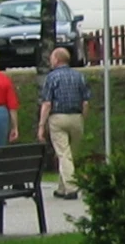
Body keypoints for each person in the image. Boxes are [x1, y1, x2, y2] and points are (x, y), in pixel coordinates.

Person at [35, 47, 90, 198]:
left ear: (57, 60)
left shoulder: (52, 78)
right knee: (69, 153)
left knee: (63, 154)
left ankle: (71, 188)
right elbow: (85, 102)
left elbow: (47, 104)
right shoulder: (79, 76)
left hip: (58, 118)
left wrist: (41, 125)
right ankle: (61, 187)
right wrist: (82, 119)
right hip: (76, 117)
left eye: (52, 58)